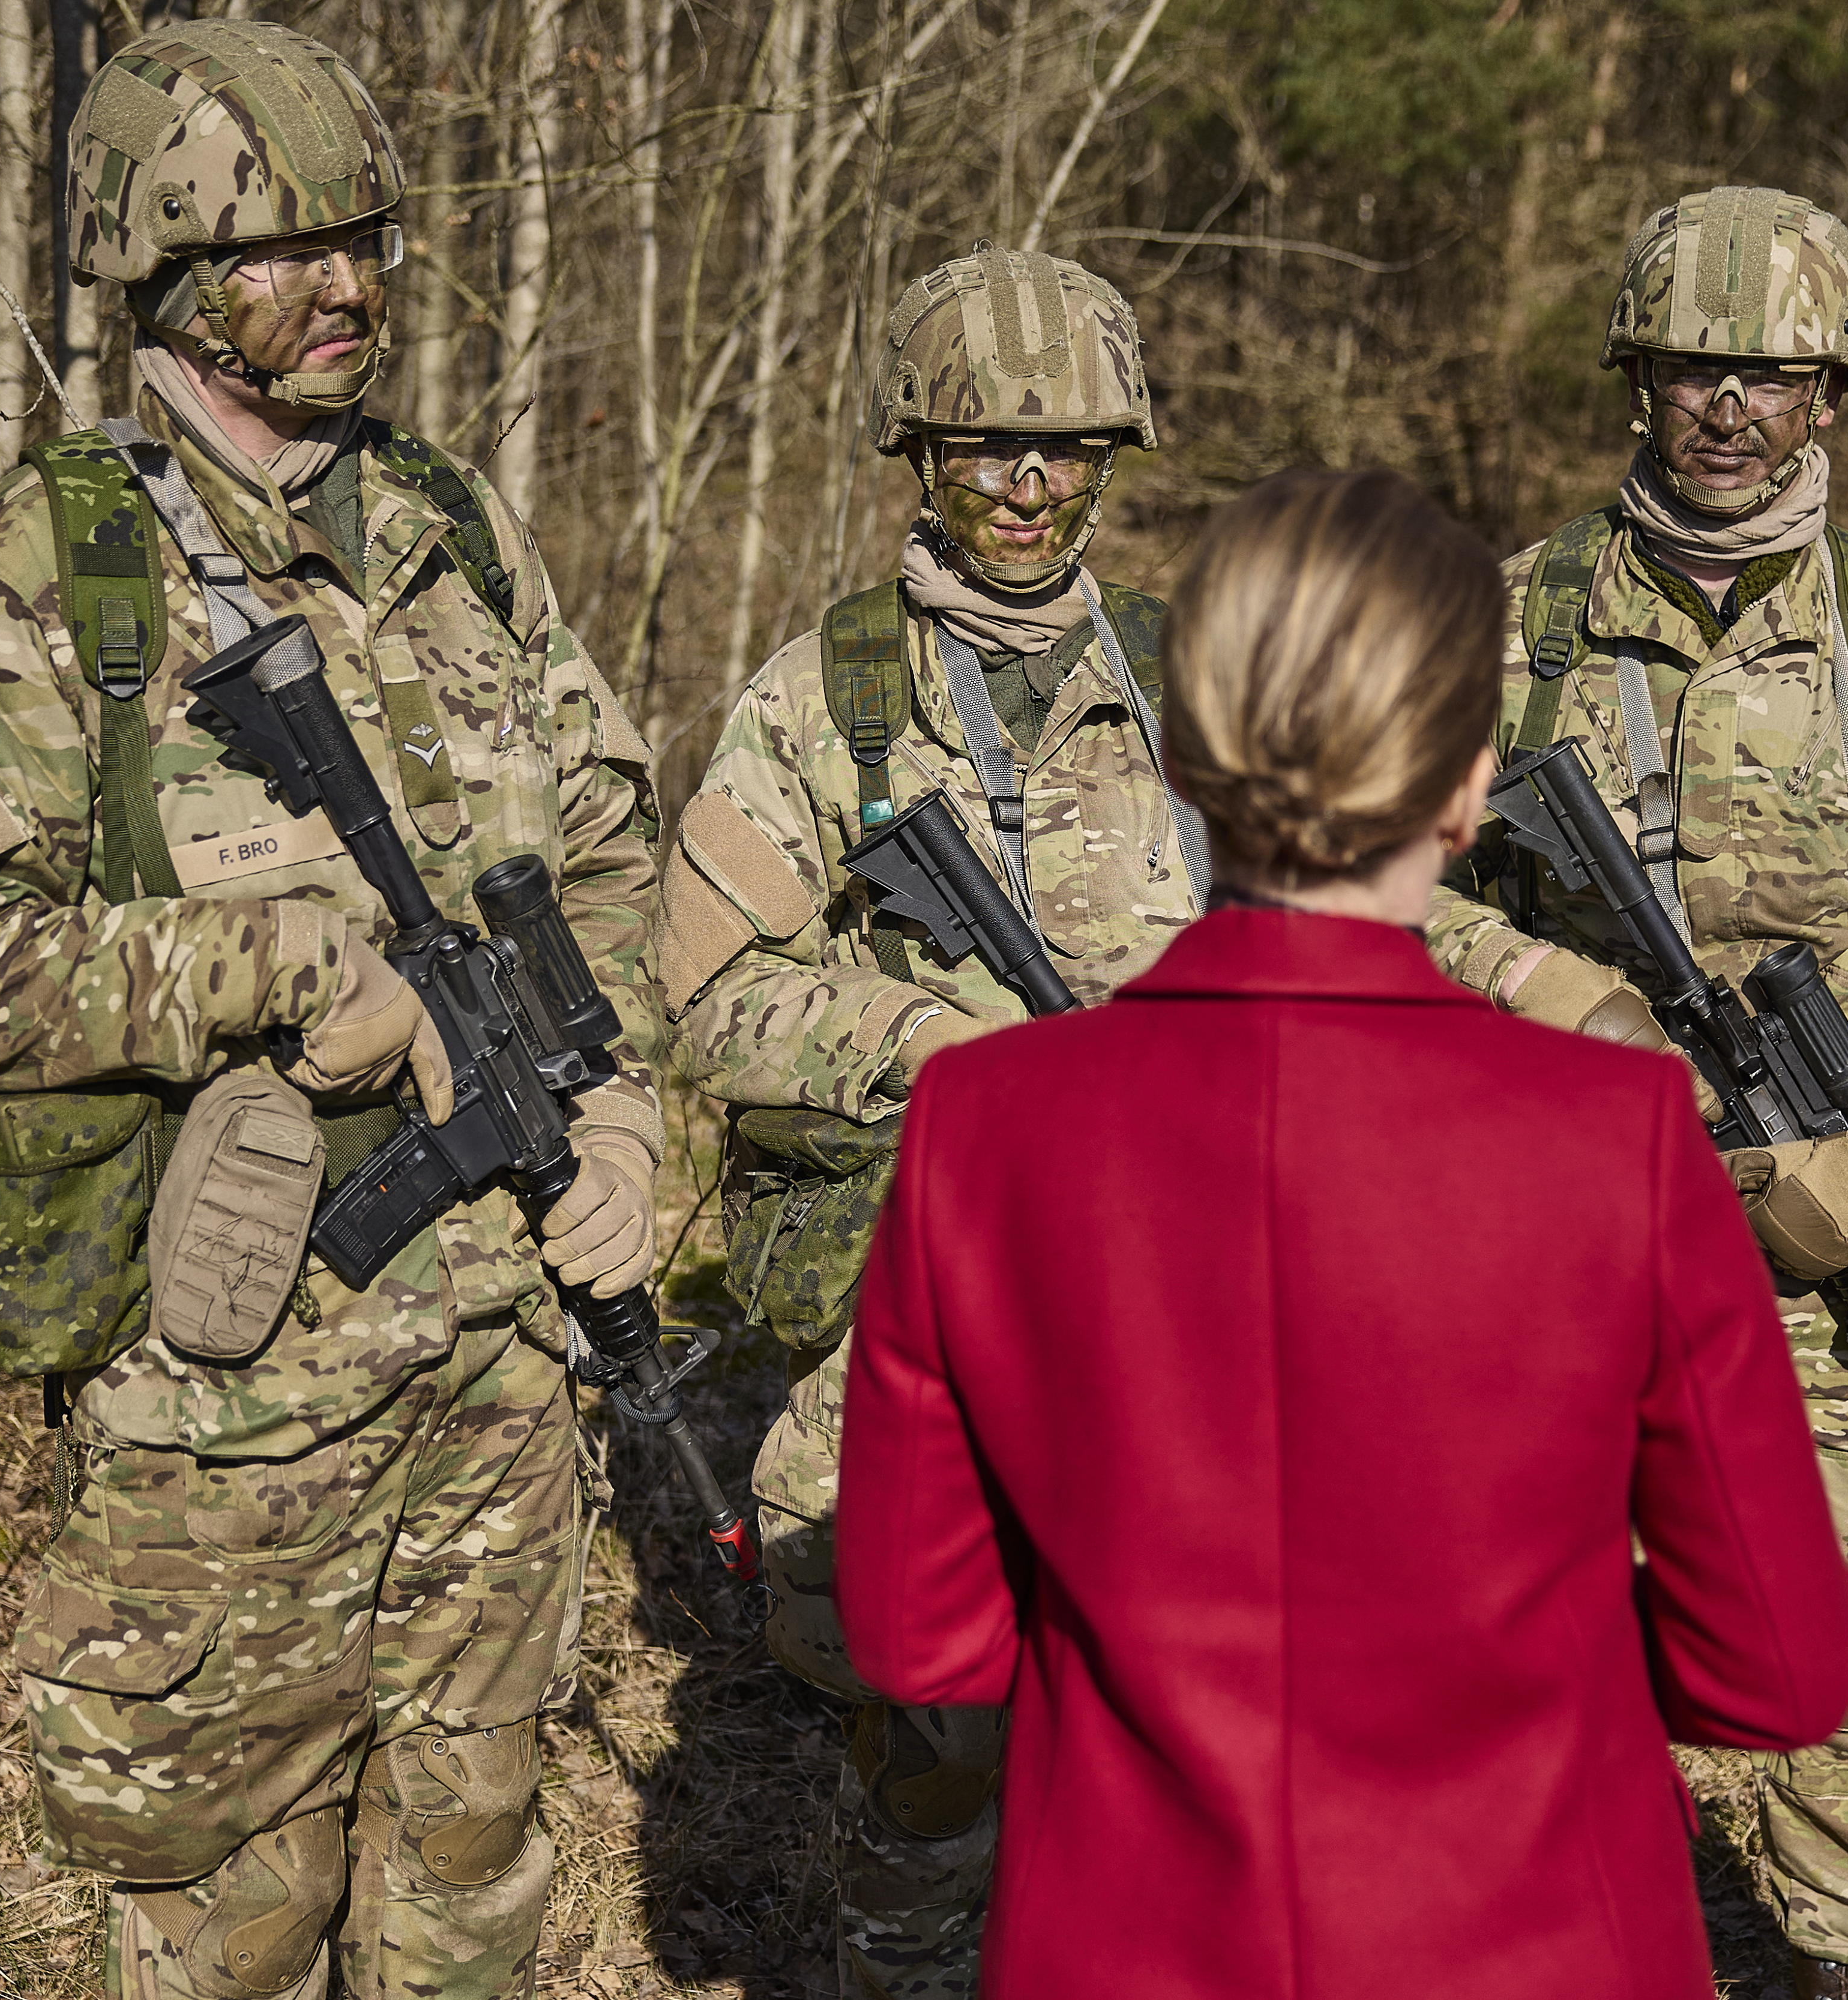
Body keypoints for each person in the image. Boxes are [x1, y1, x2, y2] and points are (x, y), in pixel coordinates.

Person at [0, 21, 664, 1996]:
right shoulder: (51, 574)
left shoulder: (459, 537)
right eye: (289, 250)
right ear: (170, 277)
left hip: (495, 1402)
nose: (350, 285)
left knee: (470, 1893)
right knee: (223, 1936)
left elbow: (606, 853)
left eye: (364, 236)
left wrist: (618, 1116)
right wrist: (274, 968)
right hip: (225, 1441)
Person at [831, 464, 1848, 1999]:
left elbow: (921, 1636)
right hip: (1534, 1943)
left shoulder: (985, 1123)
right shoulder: (1619, 1144)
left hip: (1123, 1945)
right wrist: (1526, 1660)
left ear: (1178, 761)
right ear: (1464, 782)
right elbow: (1777, 1666)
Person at [1424, 187, 1848, 1999]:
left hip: (1828, 1220)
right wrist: (1551, 987)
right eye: (1695, 368)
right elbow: (1364, 883)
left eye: (1773, 374)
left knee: (1840, 1643)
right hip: (1553, 1233)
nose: (1729, 405)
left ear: (1830, 395)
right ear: (1637, 377)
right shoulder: (1512, 626)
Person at [659, 241, 1203, 1998]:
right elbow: (703, 996)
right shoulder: (826, 698)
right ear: (920, 454)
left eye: (1066, 454)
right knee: (932, 1740)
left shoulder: (1205, 685)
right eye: (985, 450)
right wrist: (936, 1039)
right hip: (933, 1314)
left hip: (1178, 1314)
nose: (1029, 490)